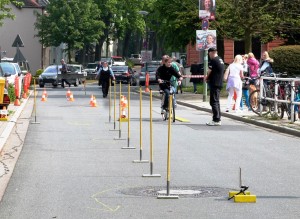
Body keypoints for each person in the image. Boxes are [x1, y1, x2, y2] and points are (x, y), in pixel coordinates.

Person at [205, 47, 225, 126]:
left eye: (209, 54)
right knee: (216, 101)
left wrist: (206, 78)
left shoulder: (213, 60)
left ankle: (216, 119)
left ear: (211, 53)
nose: (209, 56)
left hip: (214, 82)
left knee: (213, 101)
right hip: (219, 82)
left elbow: (209, 71)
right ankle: (218, 118)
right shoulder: (220, 59)